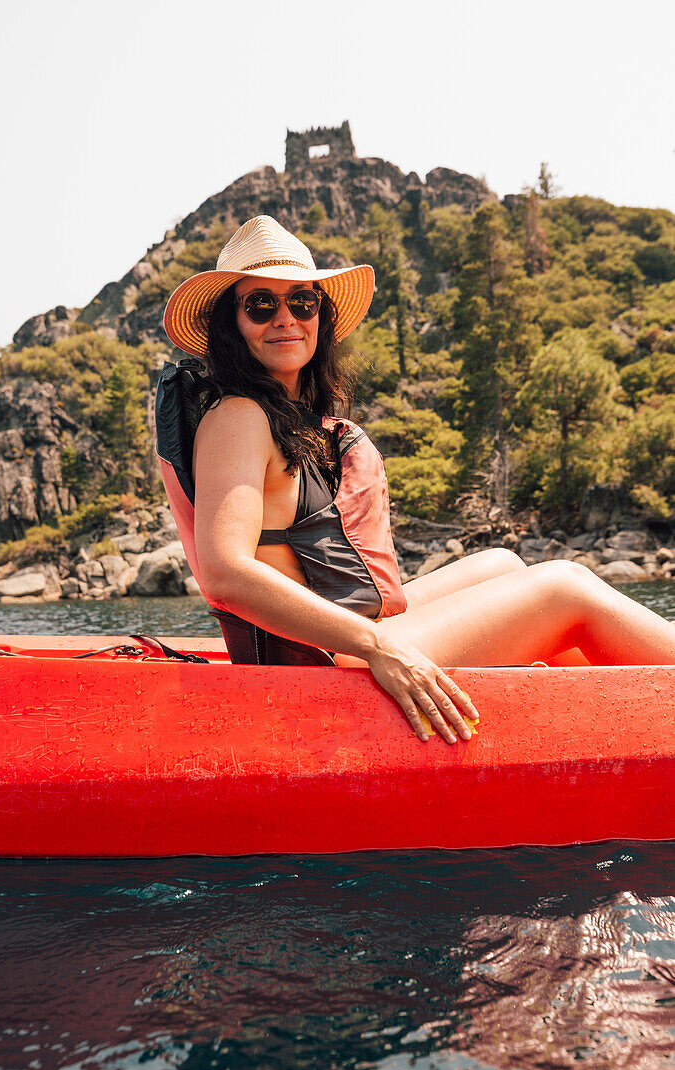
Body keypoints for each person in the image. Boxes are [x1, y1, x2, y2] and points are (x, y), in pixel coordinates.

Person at [157, 215, 675, 746]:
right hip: (322, 663)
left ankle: (612, 714)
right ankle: (636, 720)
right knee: (566, 586)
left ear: (320, 314)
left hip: (339, 641)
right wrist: (380, 648)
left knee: (503, 564)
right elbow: (225, 572)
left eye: (303, 302)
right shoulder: (238, 416)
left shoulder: (282, 412)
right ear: (231, 324)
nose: (286, 318)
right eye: (261, 305)